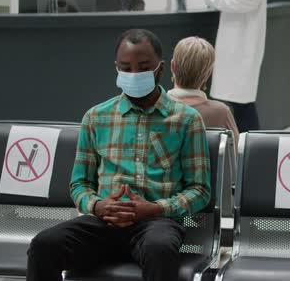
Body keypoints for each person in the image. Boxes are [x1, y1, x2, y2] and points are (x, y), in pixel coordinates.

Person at [26, 29, 210, 281]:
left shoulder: (187, 120)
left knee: (159, 248)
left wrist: (155, 209)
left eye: (143, 67)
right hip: (104, 223)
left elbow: (200, 189)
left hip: (157, 223)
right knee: (43, 245)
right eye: (126, 68)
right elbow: (79, 184)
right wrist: (98, 205)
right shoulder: (96, 117)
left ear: (161, 69)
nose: (134, 74)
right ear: (116, 68)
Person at [202, 0, 268, 133]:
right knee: (238, 102)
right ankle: (246, 147)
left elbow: (246, 1)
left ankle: (252, 151)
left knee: (242, 103)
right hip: (236, 44)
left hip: (242, 45)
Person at [168, 36, 240, 146]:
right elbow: (236, 158)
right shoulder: (221, 112)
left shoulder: (152, 107)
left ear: (172, 66)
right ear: (208, 74)